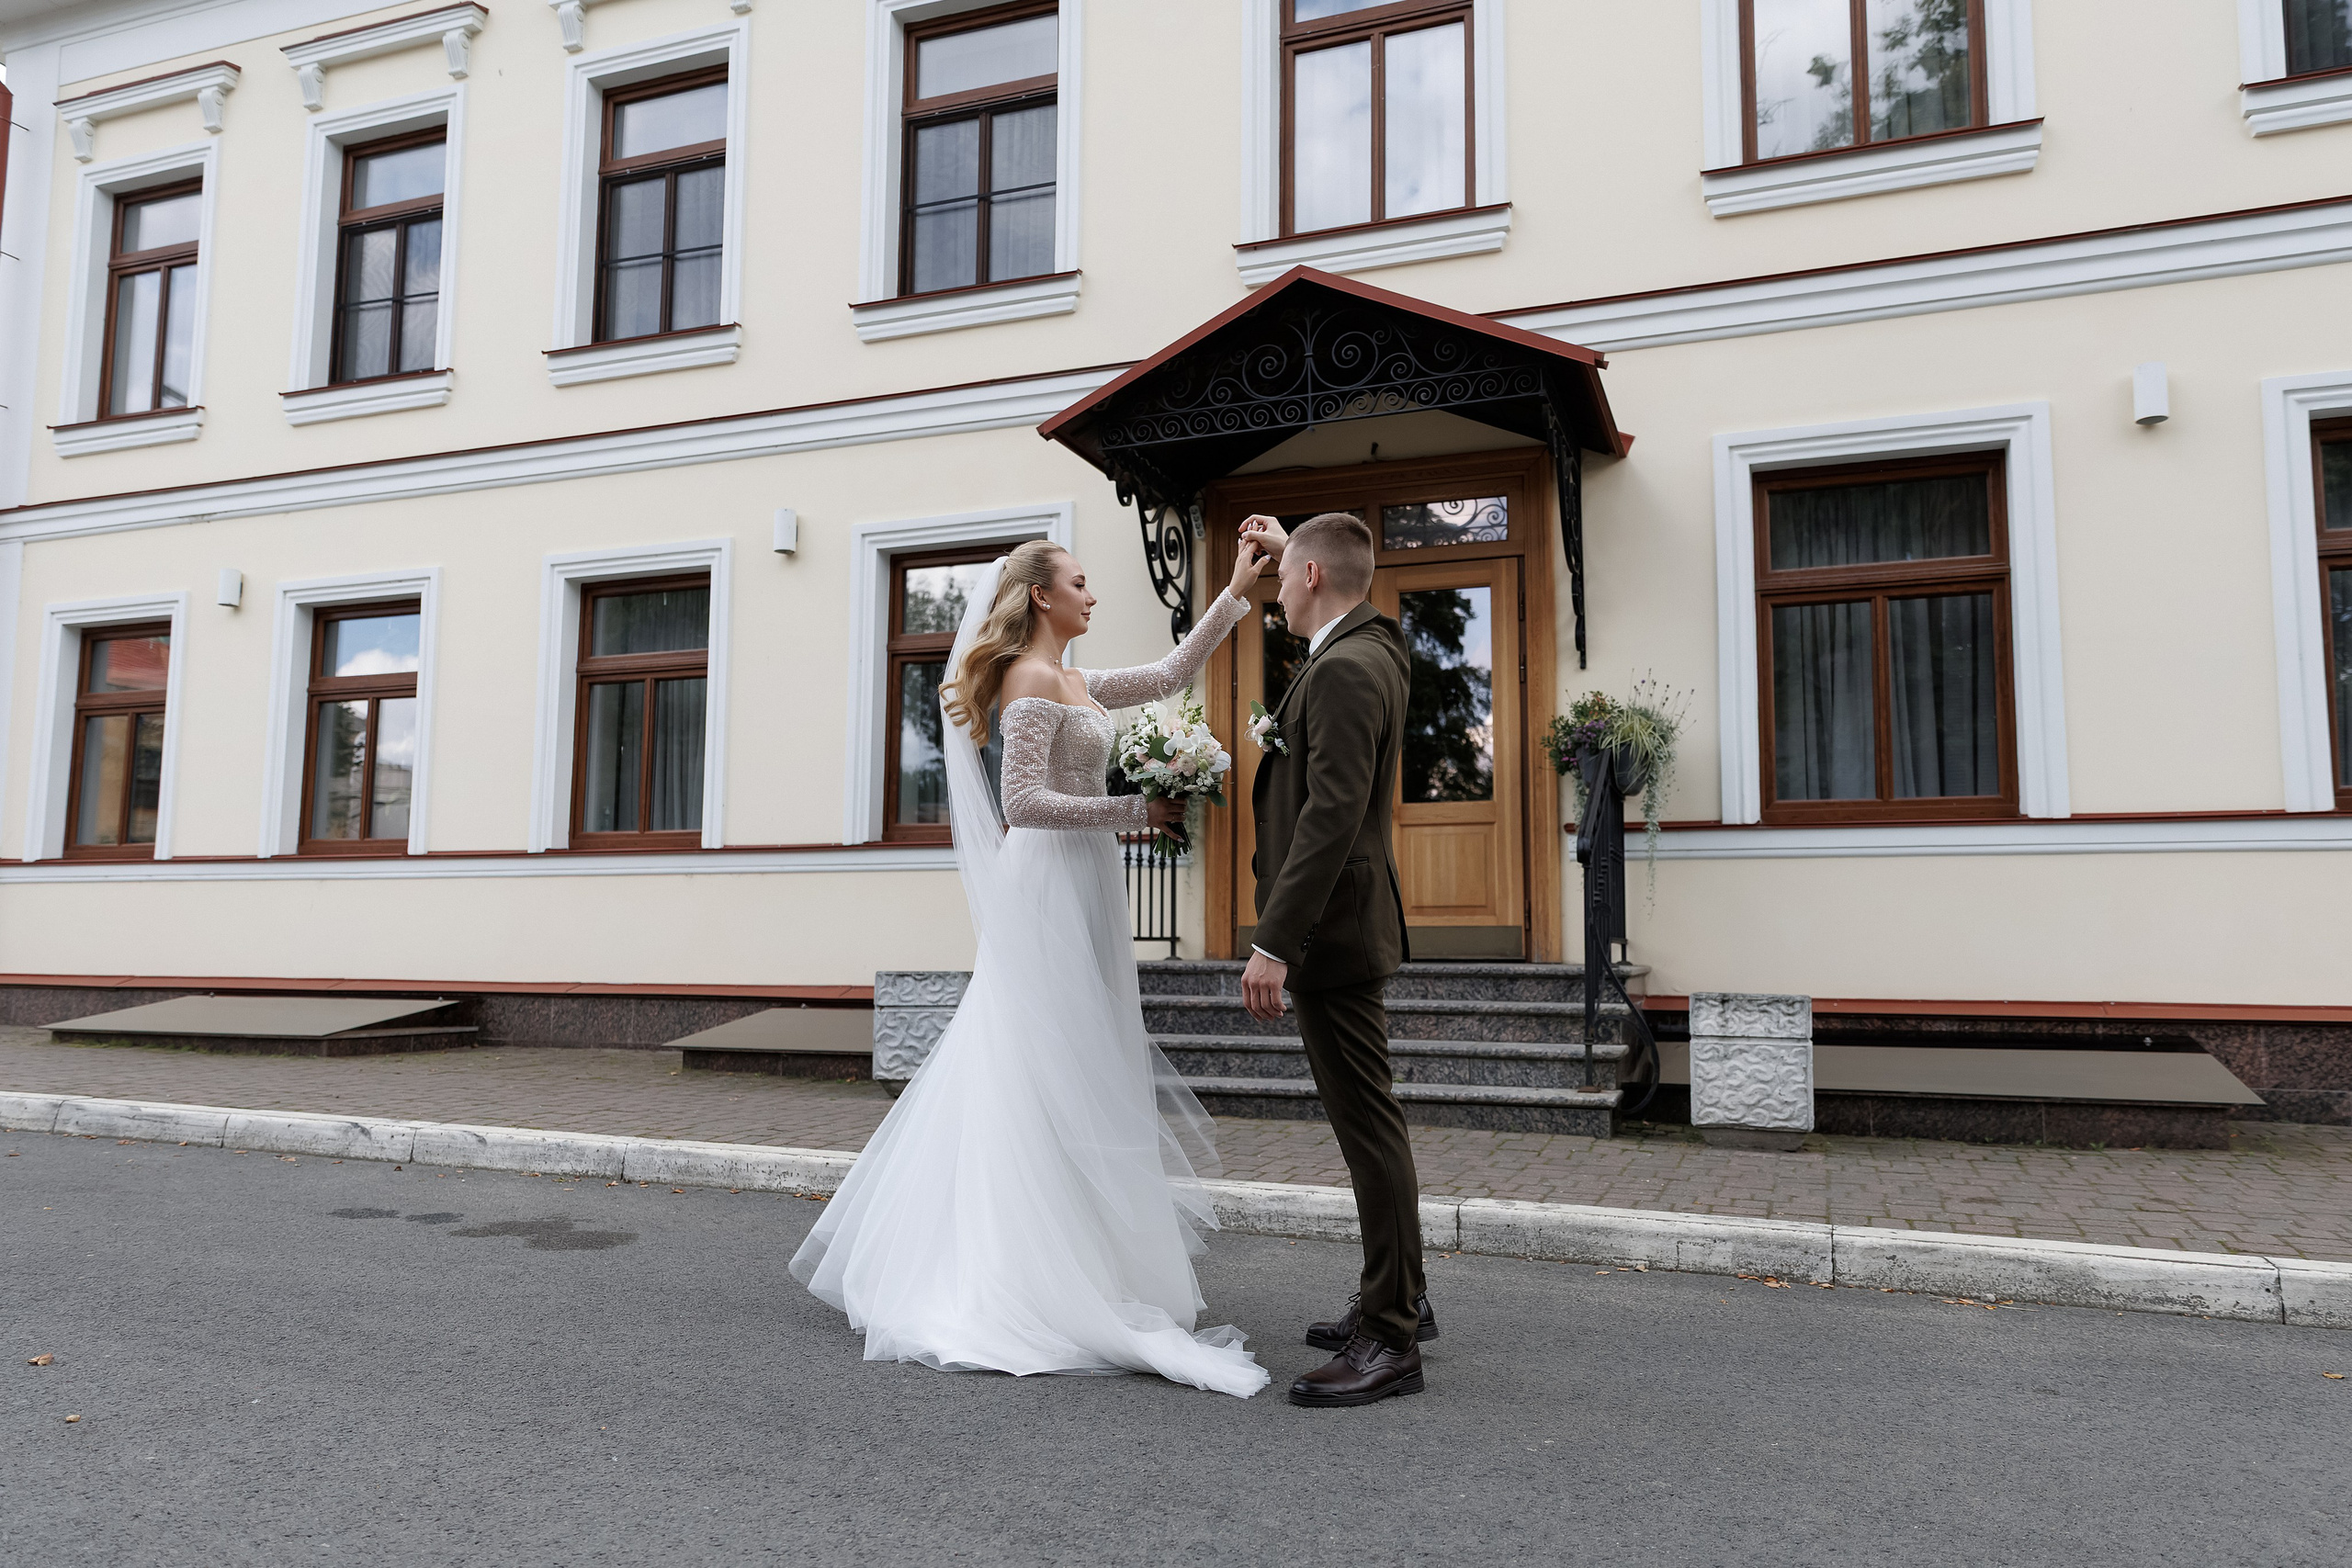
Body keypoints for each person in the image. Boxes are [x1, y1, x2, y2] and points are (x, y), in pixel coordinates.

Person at [791, 535, 1272, 1397]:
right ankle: (1018, 1267)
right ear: (1042, 598)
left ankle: (1079, 1254)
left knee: (1078, 1063)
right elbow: (1022, 802)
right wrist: (1134, 806)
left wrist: (1235, 593)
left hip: (1084, 882)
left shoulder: (1080, 680)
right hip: (1045, 884)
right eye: (1081, 584)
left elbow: (1168, 674)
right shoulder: (1028, 680)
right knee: (1038, 1060)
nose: (1093, 596)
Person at [1237, 512, 1430, 1409]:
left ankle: (1390, 1335)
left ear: (1312, 576)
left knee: (1367, 1128)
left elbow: (1330, 813)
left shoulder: (1348, 667)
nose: (1271, 586)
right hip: (1345, 925)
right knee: (1370, 1123)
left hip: (1333, 934)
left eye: (1282, 573)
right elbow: (1344, 575)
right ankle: (1399, 1298)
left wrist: (1275, 939)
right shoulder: (1374, 646)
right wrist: (1294, 542)